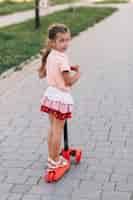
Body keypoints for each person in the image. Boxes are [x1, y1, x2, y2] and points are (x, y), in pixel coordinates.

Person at [38, 23, 80, 171]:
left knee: (53, 129)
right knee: (57, 131)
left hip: (50, 95)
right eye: (61, 40)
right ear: (52, 42)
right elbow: (68, 81)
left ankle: (52, 157)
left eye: (67, 40)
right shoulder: (62, 58)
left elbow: (58, 70)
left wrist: (69, 68)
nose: (65, 44)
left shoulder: (51, 55)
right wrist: (78, 74)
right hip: (61, 98)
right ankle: (55, 161)